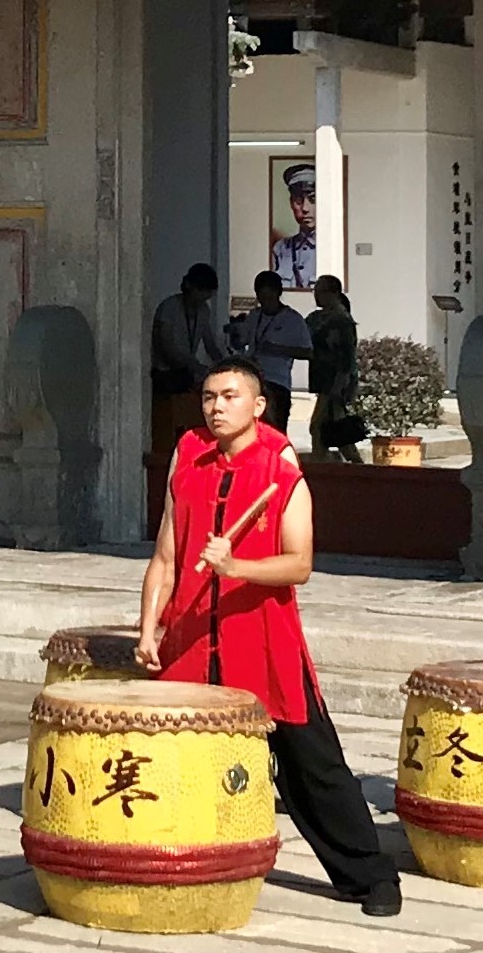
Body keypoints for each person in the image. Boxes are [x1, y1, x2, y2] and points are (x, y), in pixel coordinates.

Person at [133, 359, 400, 916]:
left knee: (313, 767)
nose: (216, 406)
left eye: (230, 395)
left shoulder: (282, 473)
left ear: (257, 406)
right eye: (209, 396)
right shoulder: (188, 464)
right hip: (191, 637)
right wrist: (148, 626)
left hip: (262, 639)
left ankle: (371, 877)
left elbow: (299, 564)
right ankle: (181, 868)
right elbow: (164, 556)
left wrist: (237, 568)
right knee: (181, 762)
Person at [147, 265, 232, 495]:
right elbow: (167, 347)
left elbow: (211, 344)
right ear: (191, 287)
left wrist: (227, 365)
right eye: (203, 292)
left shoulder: (202, 311)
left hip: (187, 374)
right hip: (166, 376)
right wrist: (194, 366)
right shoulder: (169, 308)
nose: (205, 298)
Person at [230, 271, 312, 440]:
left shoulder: (293, 319)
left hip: (277, 382)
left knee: (275, 431)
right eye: (261, 298)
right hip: (252, 379)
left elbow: (308, 352)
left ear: (278, 294)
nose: (265, 302)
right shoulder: (254, 316)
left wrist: (278, 349)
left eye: (269, 298)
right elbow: (241, 342)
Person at [305, 277, 364, 464]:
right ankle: (345, 462)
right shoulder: (317, 318)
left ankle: (323, 462)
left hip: (334, 382)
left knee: (319, 427)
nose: (316, 295)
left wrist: (341, 385)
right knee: (333, 429)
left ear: (334, 293)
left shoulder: (341, 320)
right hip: (324, 380)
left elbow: (347, 356)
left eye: (321, 291)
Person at [271, 162, 320, 287]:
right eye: (298, 201)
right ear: (291, 204)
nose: (305, 208)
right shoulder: (280, 249)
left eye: (313, 199)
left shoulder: (332, 249)